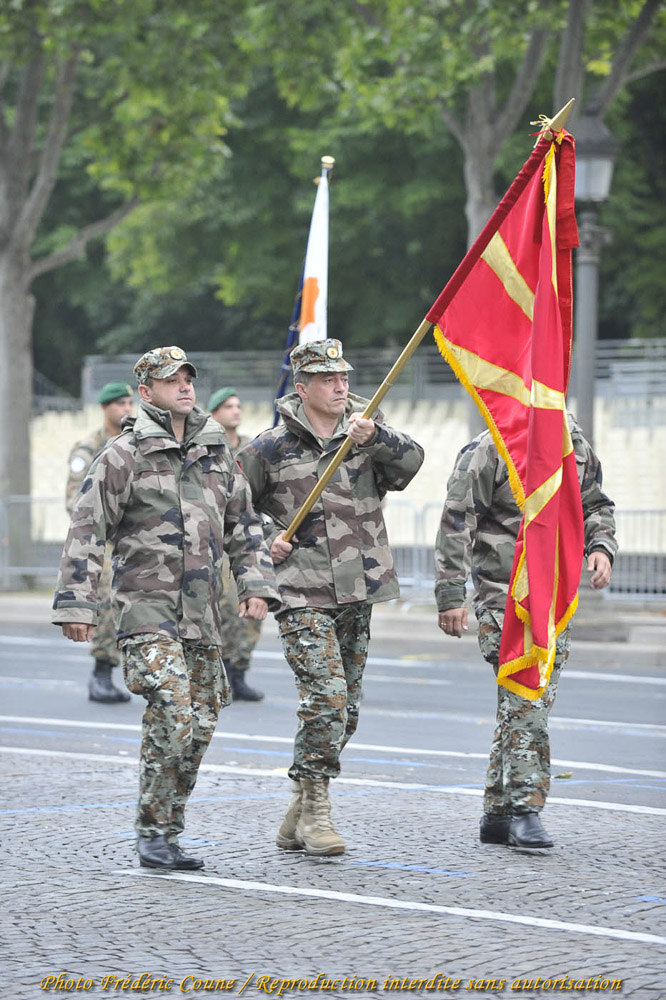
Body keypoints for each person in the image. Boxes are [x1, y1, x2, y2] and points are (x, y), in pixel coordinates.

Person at [53, 347, 279, 871]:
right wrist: (76, 603)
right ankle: (152, 834)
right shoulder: (123, 455)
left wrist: (256, 584)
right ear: (146, 392)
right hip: (146, 611)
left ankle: (167, 829)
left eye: (187, 378)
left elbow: (244, 526)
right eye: (170, 379)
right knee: (175, 712)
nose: (184, 386)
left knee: (201, 722)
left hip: (204, 615)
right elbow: (87, 529)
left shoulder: (215, 453)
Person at [240, 339, 424, 856]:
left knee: (348, 711)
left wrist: (378, 437)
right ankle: (317, 810)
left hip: (358, 585)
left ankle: (299, 804)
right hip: (301, 589)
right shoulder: (269, 447)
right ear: (302, 388)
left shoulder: (365, 431)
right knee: (327, 699)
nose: (340, 386)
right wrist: (266, 539)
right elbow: (231, 510)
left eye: (343, 377)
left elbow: (411, 466)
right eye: (327, 379)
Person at [434, 416, 617, 849]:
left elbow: (595, 503)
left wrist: (602, 547)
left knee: (522, 708)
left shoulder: (571, 442)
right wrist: (450, 595)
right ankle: (525, 809)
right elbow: (457, 522)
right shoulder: (489, 447)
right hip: (505, 599)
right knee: (527, 702)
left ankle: (498, 813)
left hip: (554, 601)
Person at [66, 381, 134, 703]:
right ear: (105, 407)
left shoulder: (137, 442)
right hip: (103, 539)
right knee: (108, 592)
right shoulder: (88, 448)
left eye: (129, 403)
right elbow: (74, 500)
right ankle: (102, 672)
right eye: (120, 403)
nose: (127, 409)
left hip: (136, 538)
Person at [209, 386, 263, 701]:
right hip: (214, 540)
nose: (236, 411)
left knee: (250, 607)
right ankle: (218, 674)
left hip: (246, 538)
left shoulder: (251, 448)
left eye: (238, 405)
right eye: (228, 406)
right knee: (220, 610)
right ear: (214, 413)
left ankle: (238, 673)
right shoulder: (207, 447)